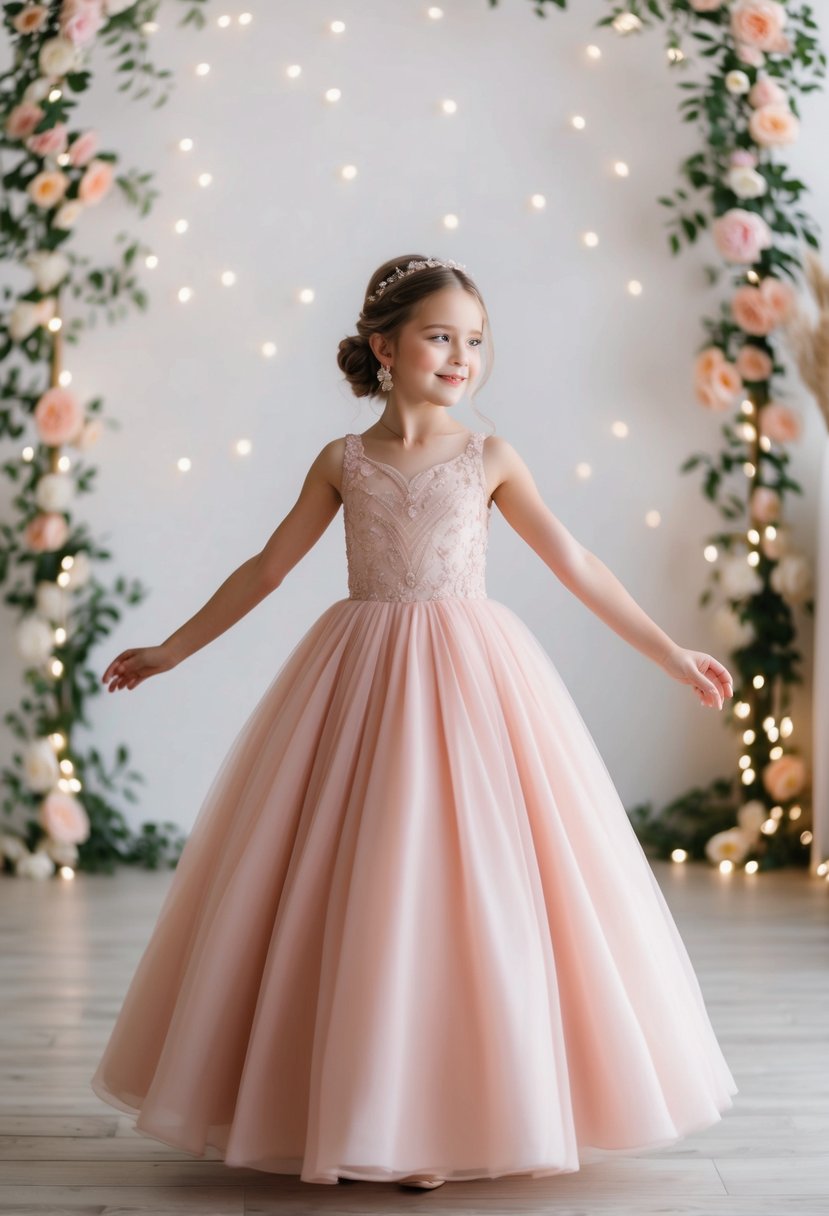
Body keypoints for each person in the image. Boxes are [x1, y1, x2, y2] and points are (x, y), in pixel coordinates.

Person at [90, 254, 738, 1192]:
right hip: (357, 677)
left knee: (464, 882)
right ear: (383, 347)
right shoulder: (341, 460)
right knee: (362, 883)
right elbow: (267, 569)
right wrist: (170, 649)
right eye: (441, 336)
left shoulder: (489, 456)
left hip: (473, 680)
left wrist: (669, 652)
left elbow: (579, 563)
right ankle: (360, 1105)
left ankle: (448, 1110)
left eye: (475, 341)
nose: (462, 356)